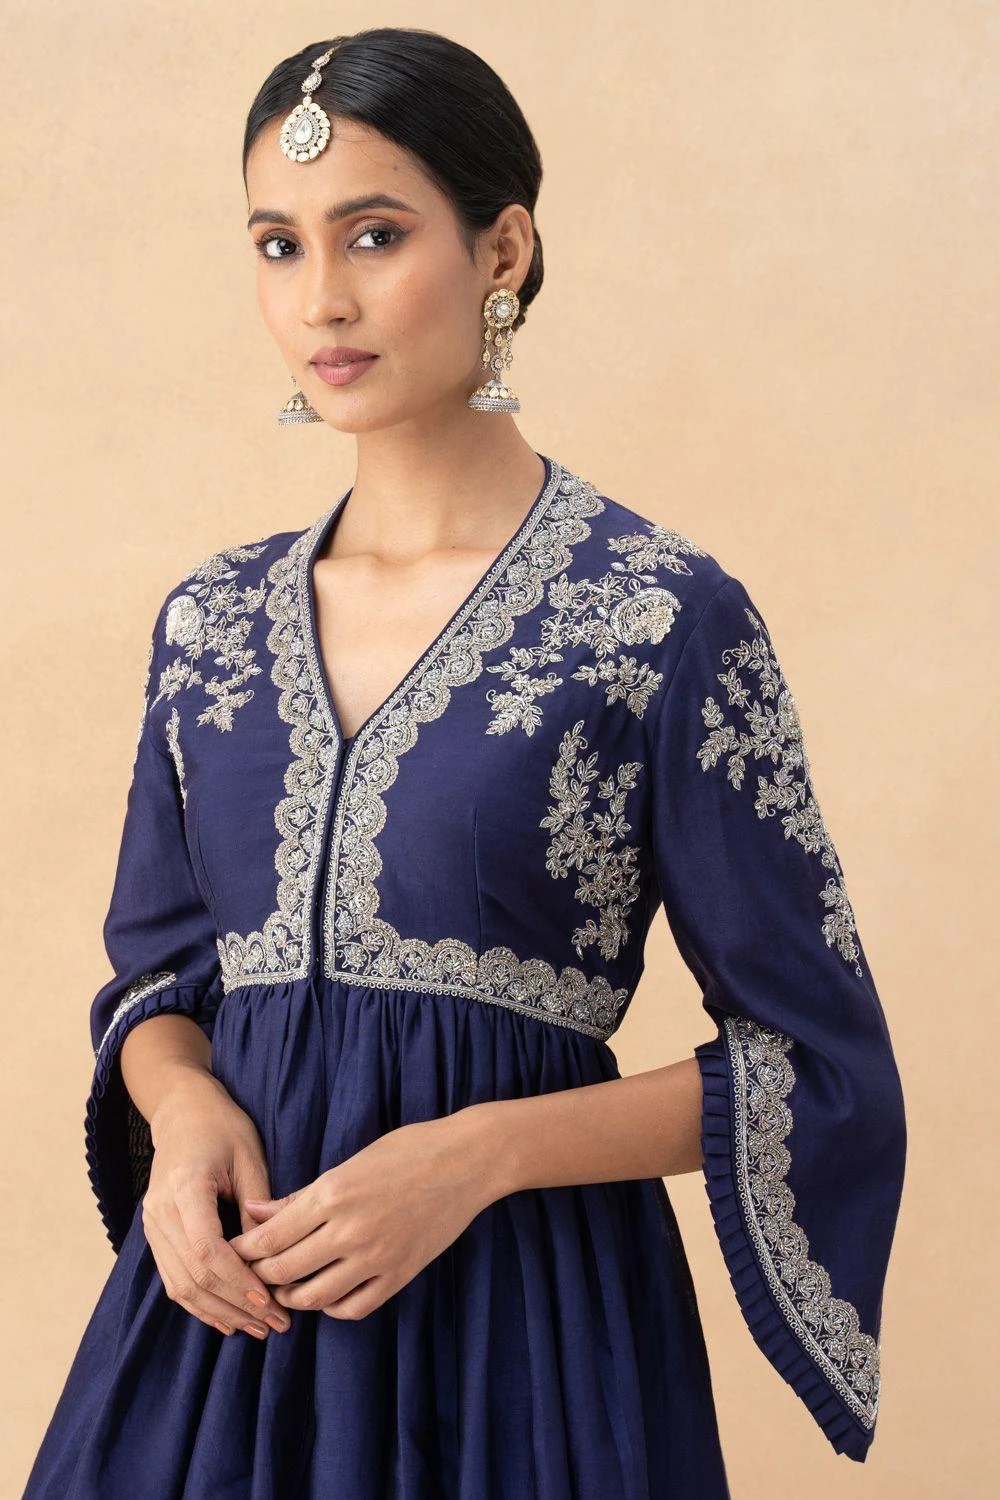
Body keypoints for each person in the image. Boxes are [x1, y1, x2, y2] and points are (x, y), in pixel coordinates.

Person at [23, 27, 906, 1500]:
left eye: (375, 235)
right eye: (279, 244)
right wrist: (181, 1118)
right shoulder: (211, 623)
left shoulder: (655, 617)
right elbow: (157, 983)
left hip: (525, 1343)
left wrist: (477, 1154)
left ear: (504, 249)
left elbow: (811, 1062)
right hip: (231, 1333)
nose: (323, 297)